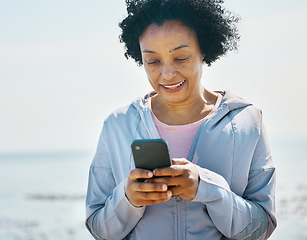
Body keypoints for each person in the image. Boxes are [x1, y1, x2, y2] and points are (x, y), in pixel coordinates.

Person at [85, 0, 277, 239]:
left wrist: (207, 188)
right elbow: (99, 229)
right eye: (152, 61)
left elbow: (261, 229)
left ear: (204, 50)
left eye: (181, 57)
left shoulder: (248, 122)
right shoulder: (117, 126)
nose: (167, 74)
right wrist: (127, 200)